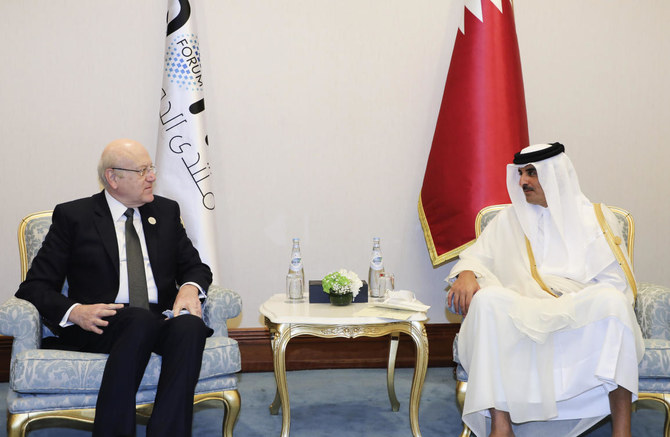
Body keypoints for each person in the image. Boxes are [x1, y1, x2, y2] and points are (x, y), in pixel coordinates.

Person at [16, 138, 213, 437]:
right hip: (102, 324)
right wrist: (75, 311)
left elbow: (196, 267)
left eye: (151, 168)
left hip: (157, 319)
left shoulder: (166, 212)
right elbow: (34, 287)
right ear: (113, 177)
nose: (152, 177)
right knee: (138, 319)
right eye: (142, 170)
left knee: (190, 329)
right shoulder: (75, 217)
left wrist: (188, 287)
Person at [447, 143, 644, 437]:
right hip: (523, 306)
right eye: (521, 173)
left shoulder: (596, 218)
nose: (523, 181)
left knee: (613, 303)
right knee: (487, 301)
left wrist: (571, 301)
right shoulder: (509, 220)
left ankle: (622, 431)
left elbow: (616, 280)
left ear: (557, 175)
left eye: (532, 173)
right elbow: (477, 257)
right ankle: (501, 427)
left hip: (577, 307)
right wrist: (465, 272)